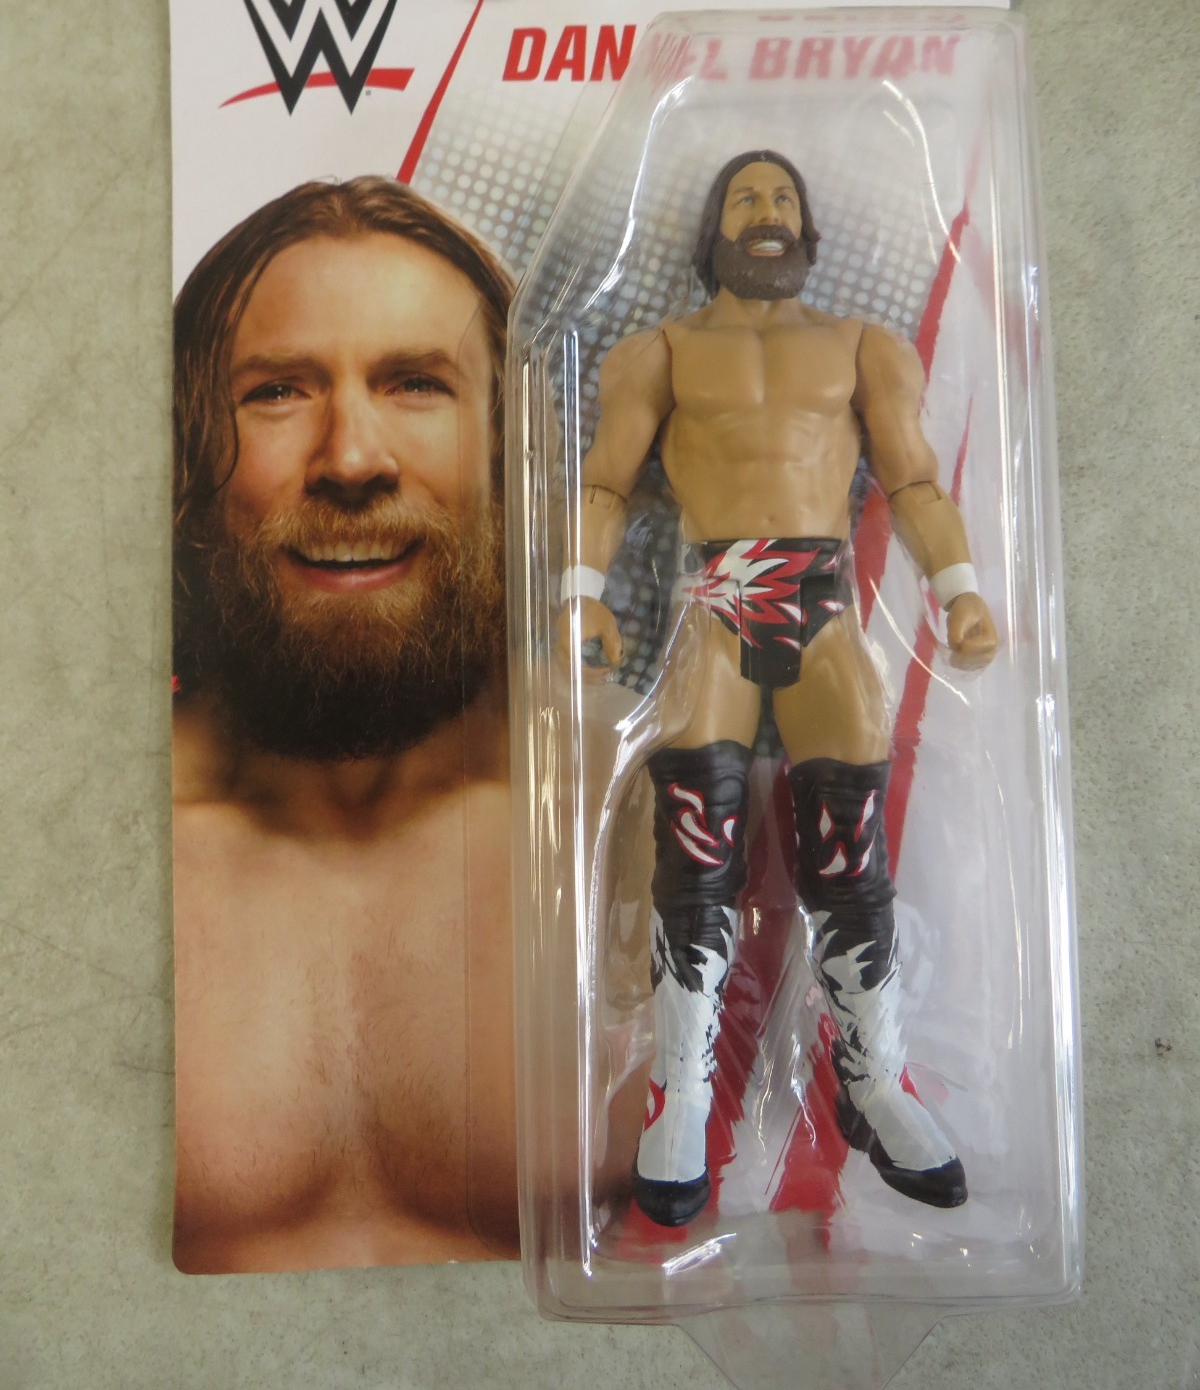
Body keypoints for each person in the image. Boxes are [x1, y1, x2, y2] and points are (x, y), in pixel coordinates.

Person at [558, 150, 998, 1227]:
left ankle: (874, 1080)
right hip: (715, 596)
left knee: (852, 852)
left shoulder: (861, 347)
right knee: (695, 845)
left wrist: (960, 591)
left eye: (784, 197)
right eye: (746, 197)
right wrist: (579, 594)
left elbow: (914, 478)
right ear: (712, 225)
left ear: (808, 225)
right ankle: (679, 1090)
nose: (767, 212)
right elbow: (605, 481)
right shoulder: (659, 351)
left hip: (822, 602)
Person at [171, 176, 518, 1272]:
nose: (354, 458)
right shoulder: (74, 847)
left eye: (417, 383)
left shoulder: (646, 822)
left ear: (512, 451)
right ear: (184, 456)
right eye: (277, 392)